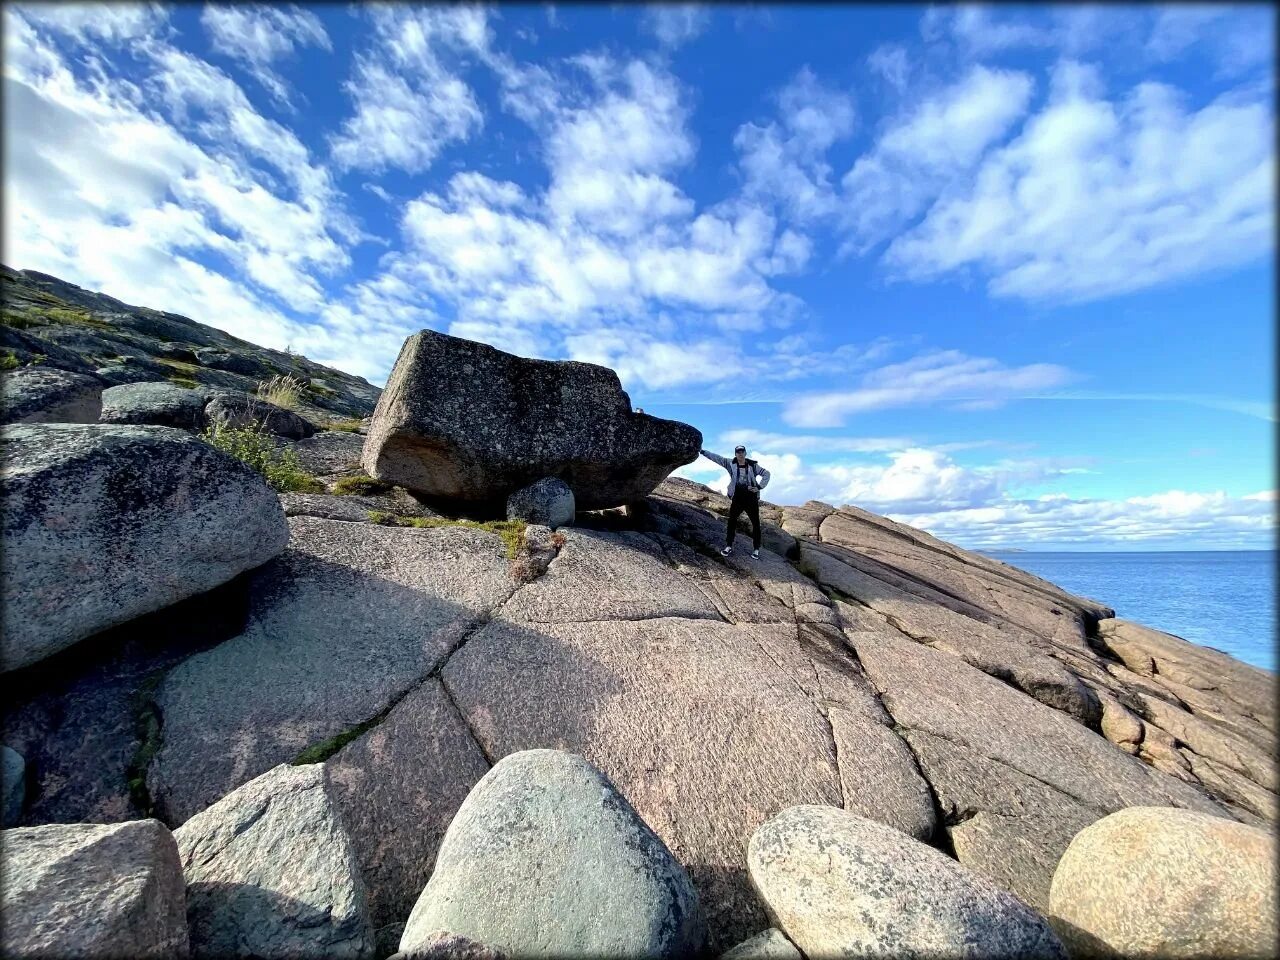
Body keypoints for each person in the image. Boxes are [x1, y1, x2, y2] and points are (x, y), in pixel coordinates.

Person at [699, 444, 770, 559]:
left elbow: (767, 474)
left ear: (745, 453)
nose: (740, 454)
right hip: (737, 497)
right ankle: (728, 546)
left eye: (742, 452)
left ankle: (756, 549)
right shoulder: (730, 463)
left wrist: (759, 487)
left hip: (751, 498)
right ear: (735, 454)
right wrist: (703, 452)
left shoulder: (753, 465)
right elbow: (717, 458)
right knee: (732, 521)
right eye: (738, 452)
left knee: (755, 524)